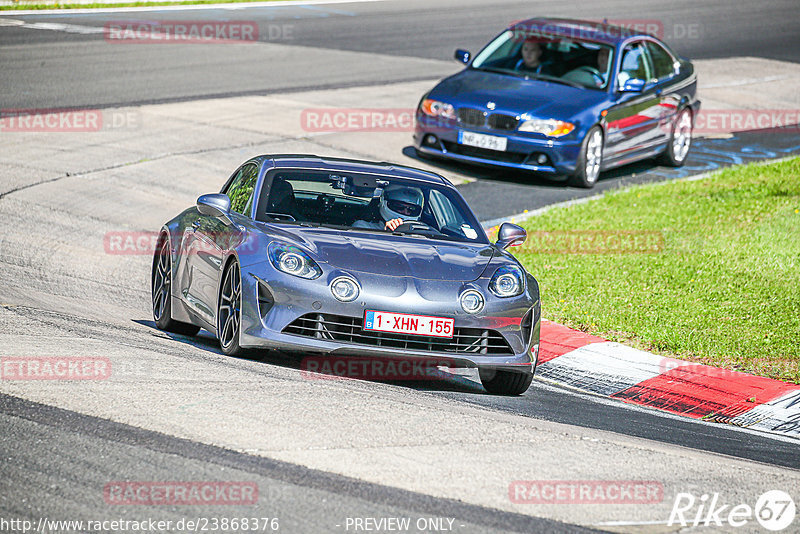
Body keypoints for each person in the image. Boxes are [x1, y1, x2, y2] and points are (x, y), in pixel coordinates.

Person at [352, 185, 424, 231]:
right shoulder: (362, 226)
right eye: (399, 206)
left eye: (411, 209)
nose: (405, 212)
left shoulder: (423, 231)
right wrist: (386, 232)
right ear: (384, 203)